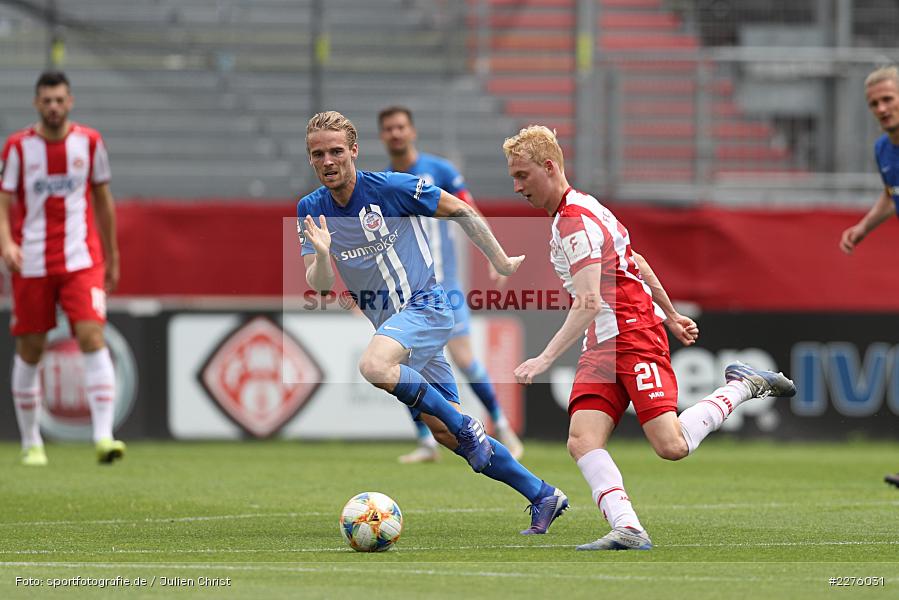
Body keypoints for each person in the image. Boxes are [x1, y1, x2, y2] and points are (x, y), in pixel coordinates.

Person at [504, 125, 796, 550]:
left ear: (549, 167)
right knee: (582, 440)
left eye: (522, 175)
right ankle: (628, 528)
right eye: (513, 177)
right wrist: (674, 314)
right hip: (601, 344)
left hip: (632, 333)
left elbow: (587, 302)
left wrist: (544, 359)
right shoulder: (583, 208)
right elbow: (634, 260)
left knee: (671, 446)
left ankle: (742, 386)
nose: (516, 187)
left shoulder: (574, 221)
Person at [298, 111, 567, 534]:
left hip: (427, 307)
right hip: (397, 328)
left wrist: (497, 259)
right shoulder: (310, 209)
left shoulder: (388, 187)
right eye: (318, 154)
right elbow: (321, 283)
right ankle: (542, 494)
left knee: (374, 366)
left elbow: (458, 208)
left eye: (336, 151)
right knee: (445, 434)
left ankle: (469, 427)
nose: (328, 160)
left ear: (354, 150)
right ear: (311, 159)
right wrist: (320, 254)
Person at [378, 106, 524, 463]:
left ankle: (502, 425)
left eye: (401, 127)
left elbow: (468, 211)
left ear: (412, 131)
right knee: (405, 366)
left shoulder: (439, 170)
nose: (396, 133)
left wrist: (496, 256)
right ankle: (427, 442)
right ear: (382, 136)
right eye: (389, 129)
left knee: (464, 358)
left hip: (444, 287)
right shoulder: (380, 182)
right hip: (404, 292)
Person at [0, 71, 125, 466]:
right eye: (46, 101)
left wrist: (112, 255)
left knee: (91, 335)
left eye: (59, 100)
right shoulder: (18, 148)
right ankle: (31, 441)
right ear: (37, 104)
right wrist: (6, 243)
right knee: (32, 348)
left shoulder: (89, 143)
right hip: (32, 261)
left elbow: (103, 201)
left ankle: (104, 436)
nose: (53, 107)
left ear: (70, 102)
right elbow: (2, 202)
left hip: (81, 260)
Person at [839, 65, 899, 489]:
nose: (881, 108)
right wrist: (864, 226)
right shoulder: (884, 149)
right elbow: (890, 193)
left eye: (888, 99)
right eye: (874, 104)